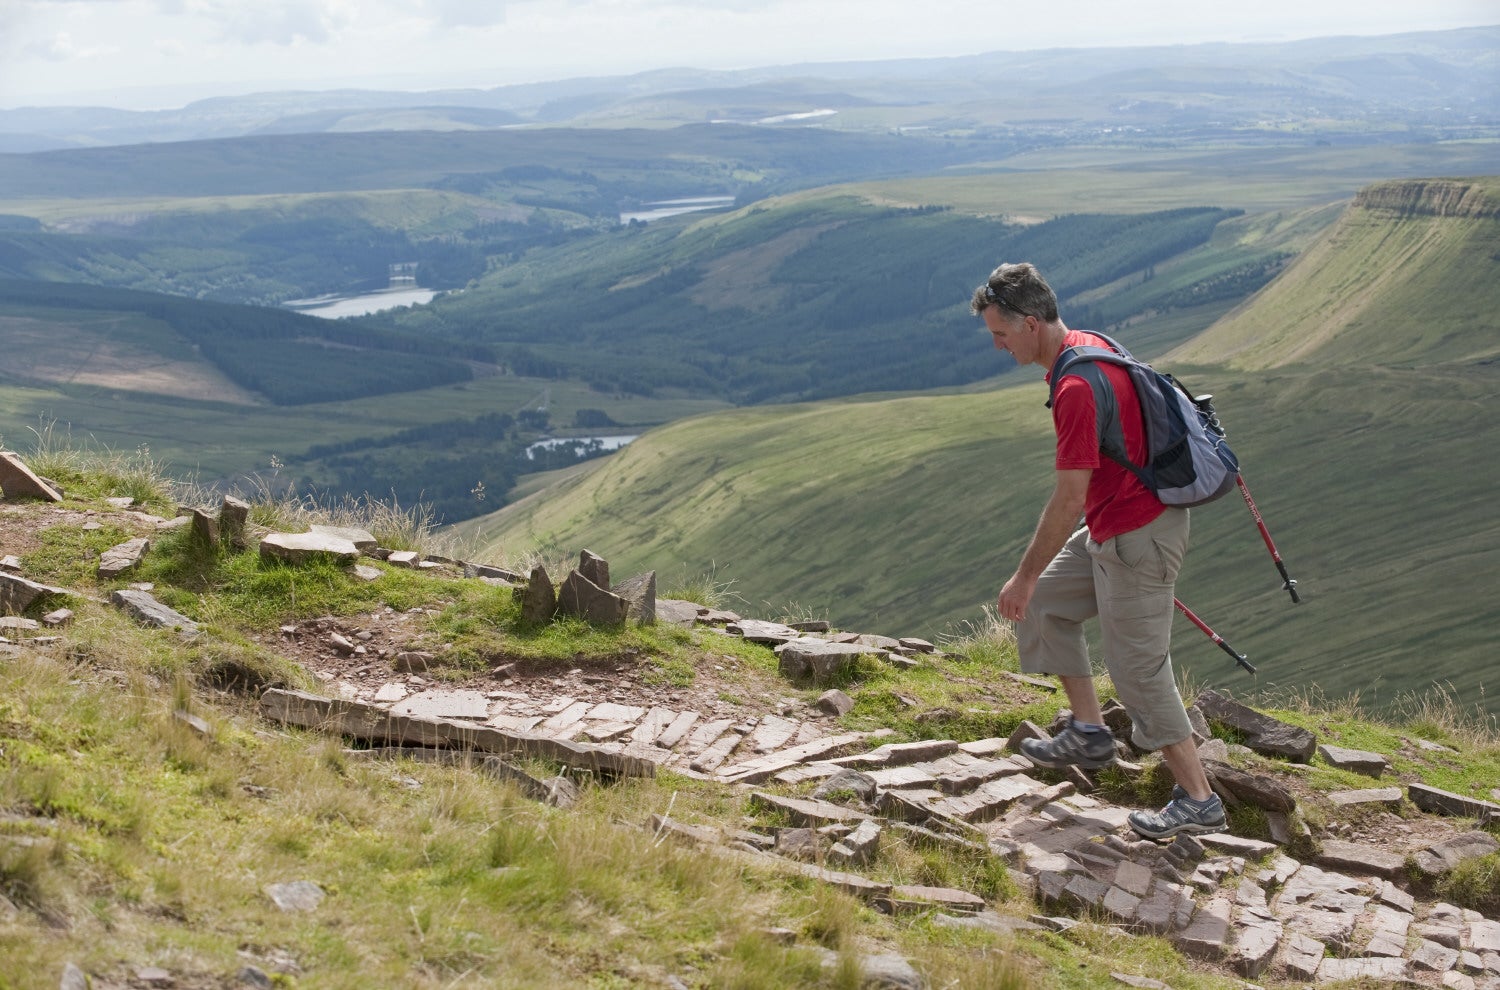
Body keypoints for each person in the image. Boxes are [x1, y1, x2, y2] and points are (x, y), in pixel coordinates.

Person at [970, 261, 1226, 840]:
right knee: (1045, 606)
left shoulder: (1076, 386)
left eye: (1001, 334)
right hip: (1115, 530)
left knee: (1138, 671)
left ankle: (1199, 799)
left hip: (1139, 538)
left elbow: (1068, 498)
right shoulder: (1090, 345)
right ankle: (1089, 733)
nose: (997, 346)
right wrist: (1033, 587)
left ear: (1030, 323)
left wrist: (1024, 573)